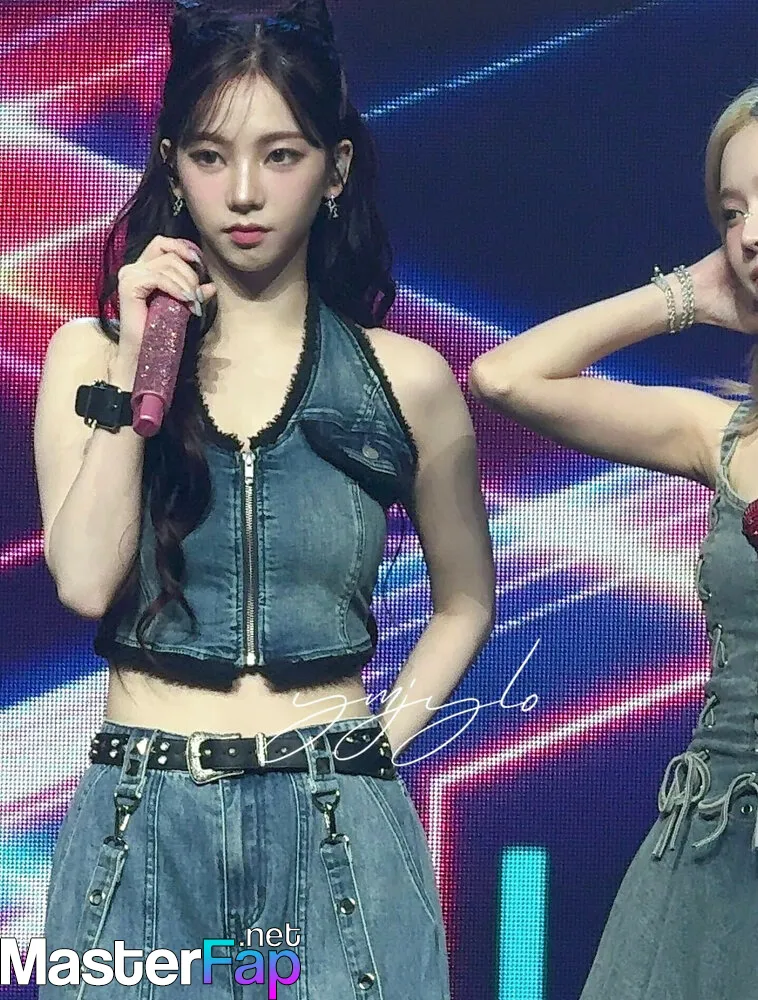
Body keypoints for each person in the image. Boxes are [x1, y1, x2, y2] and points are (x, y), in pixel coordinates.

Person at [33, 1, 495, 995]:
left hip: (335, 825)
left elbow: (465, 600)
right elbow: (83, 581)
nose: (243, 193)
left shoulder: (405, 379)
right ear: (171, 167)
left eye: (280, 156)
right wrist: (140, 358)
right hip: (140, 823)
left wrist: (378, 746)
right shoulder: (88, 357)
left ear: (334, 170)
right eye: (210, 156)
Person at [468, 84, 758, 1000]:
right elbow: (506, 377)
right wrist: (688, 296)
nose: (750, 236)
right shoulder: (722, 436)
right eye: (733, 212)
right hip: (717, 848)